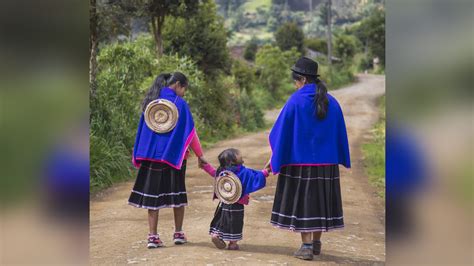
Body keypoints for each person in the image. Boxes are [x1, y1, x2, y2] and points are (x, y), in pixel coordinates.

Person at [267, 57, 351, 260]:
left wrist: (277, 156)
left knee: (304, 204)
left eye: (296, 80)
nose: (295, 85)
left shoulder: (295, 101)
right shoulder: (332, 102)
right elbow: (339, 132)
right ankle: (316, 243)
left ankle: (306, 246)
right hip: (326, 164)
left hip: (300, 163)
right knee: (318, 203)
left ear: (302, 79)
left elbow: (280, 132)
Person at [128, 72, 208, 248]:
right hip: (173, 156)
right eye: (184, 88)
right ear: (178, 85)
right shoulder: (180, 103)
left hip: (151, 156)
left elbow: (142, 130)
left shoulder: (152, 100)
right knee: (177, 194)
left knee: (152, 197)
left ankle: (152, 237)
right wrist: (200, 156)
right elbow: (191, 133)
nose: (184, 92)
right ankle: (178, 233)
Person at [201, 148, 270, 250]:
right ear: (232, 161)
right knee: (235, 222)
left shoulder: (223, 172)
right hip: (237, 203)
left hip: (224, 202)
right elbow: (255, 177)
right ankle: (232, 243)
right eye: (238, 155)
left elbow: (213, 172)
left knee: (222, 219)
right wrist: (267, 171)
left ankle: (216, 235)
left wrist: (205, 166)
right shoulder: (243, 172)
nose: (240, 154)